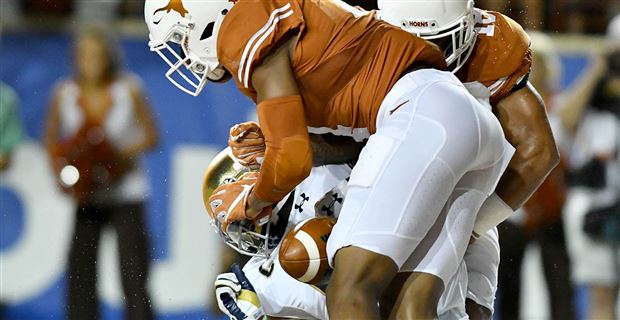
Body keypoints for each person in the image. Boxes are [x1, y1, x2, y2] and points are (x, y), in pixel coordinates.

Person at [145, 0, 509, 318]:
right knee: (411, 305)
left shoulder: (246, 25)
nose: (186, 51)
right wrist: (280, 142)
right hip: (458, 120)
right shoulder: (287, 24)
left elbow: (291, 161)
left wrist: (251, 199)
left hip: (419, 115)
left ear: (206, 15)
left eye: (182, 36)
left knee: (349, 292)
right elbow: (340, 140)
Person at [43, 26, 158, 320]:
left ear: (109, 58)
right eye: (85, 56)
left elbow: (152, 136)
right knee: (80, 272)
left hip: (127, 191)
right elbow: (51, 141)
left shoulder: (128, 88)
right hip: (88, 195)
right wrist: (62, 172)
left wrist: (115, 158)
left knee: (133, 272)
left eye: (98, 55)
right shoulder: (65, 93)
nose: (91, 61)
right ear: (76, 60)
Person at [495, 31, 575, 320]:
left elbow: (552, 150)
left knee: (560, 283)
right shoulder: (501, 103)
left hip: (549, 206)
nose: (531, 67)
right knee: (507, 285)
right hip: (513, 207)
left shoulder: (561, 104)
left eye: (536, 61)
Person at [561, 14, 620, 320]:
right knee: (600, 295)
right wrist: (596, 71)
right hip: (596, 199)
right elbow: (565, 120)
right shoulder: (593, 91)